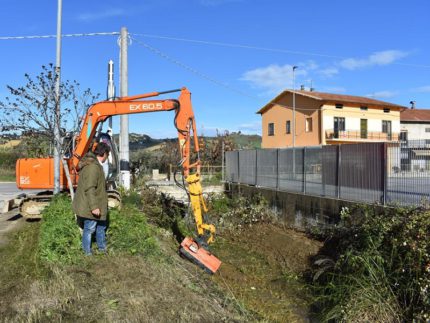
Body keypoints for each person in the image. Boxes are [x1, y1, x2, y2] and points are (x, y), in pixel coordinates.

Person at [72, 142, 110, 255]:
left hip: (98, 203)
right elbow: (90, 188)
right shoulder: (93, 167)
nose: (107, 158)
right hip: (91, 205)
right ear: (104, 154)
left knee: (101, 227)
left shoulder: (96, 166)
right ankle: (87, 253)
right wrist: (94, 207)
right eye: (107, 155)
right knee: (90, 229)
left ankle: (102, 249)